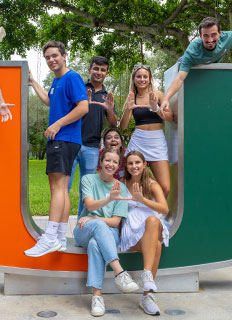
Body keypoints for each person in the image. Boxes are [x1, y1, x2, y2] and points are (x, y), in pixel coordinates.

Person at [25, 41, 88, 257]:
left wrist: (58, 124)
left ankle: (49, 238)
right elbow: (50, 102)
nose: (51, 60)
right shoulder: (57, 81)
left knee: (57, 189)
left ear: (63, 56)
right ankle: (60, 237)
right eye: (47, 57)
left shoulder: (71, 78)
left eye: (55, 56)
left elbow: (83, 107)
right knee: (62, 189)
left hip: (64, 139)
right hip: (63, 140)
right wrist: (33, 83)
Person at [74, 148, 139, 317]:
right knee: (98, 229)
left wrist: (94, 219)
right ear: (100, 162)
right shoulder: (88, 179)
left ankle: (97, 297)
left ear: (118, 166)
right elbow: (90, 206)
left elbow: (115, 222)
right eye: (107, 160)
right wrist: (110, 199)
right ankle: (119, 272)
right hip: (84, 230)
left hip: (107, 232)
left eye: (115, 162)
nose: (111, 164)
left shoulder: (121, 189)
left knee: (97, 243)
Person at [120, 150, 169, 316]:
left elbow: (164, 208)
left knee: (153, 221)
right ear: (126, 166)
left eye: (137, 163)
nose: (134, 166)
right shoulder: (122, 182)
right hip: (131, 229)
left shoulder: (152, 184)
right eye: (130, 163)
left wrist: (142, 200)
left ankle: (146, 275)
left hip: (151, 225)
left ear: (144, 164)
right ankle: (147, 296)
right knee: (156, 245)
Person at [68, 56, 118, 218]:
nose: (99, 72)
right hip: (71, 143)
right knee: (64, 188)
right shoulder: (79, 88)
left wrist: (109, 109)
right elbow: (67, 114)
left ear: (107, 73)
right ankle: (58, 229)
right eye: (96, 68)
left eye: (103, 70)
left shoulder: (107, 95)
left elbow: (113, 123)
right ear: (89, 70)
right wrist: (83, 106)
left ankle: (81, 228)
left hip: (92, 148)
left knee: (86, 191)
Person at [119, 65, 174, 197]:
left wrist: (156, 108)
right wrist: (128, 109)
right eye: (139, 76)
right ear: (134, 79)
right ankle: (135, 214)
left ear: (149, 79)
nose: (142, 79)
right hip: (138, 141)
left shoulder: (158, 95)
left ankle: (154, 212)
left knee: (165, 187)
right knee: (131, 183)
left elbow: (171, 118)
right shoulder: (131, 97)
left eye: (145, 76)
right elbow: (123, 126)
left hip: (157, 141)